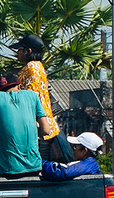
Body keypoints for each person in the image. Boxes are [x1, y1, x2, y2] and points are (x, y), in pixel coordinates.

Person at [0, 72, 52, 178]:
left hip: (8, 168)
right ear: (19, 86)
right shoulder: (33, 95)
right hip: (34, 167)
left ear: (0, 91)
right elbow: (46, 130)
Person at [9, 34, 73, 163]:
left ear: (29, 51)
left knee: (38, 170)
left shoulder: (32, 67)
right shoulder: (38, 66)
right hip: (43, 126)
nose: (18, 52)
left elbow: (30, 97)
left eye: (20, 49)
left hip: (38, 129)